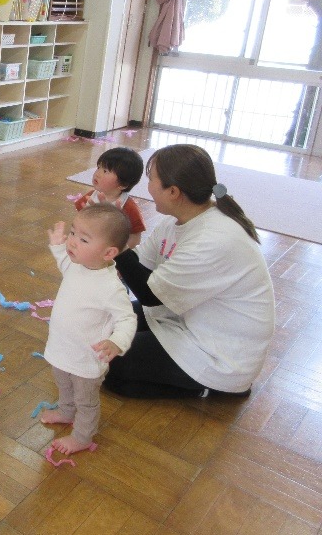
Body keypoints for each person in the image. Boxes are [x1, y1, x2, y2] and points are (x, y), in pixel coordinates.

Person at [106, 144, 275, 399]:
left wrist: (113, 240)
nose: (147, 186)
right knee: (107, 323)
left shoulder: (214, 238)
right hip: (185, 316)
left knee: (113, 364)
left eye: (151, 179)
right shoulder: (178, 220)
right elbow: (141, 266)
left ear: (173, 192)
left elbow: (150, 294)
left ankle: (211, 389)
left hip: (220, 353)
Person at [40, 204, 137, 455]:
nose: (72, 242)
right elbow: (63, 259)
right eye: (73, 232)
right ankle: (65, 411)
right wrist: (57, 245)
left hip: (86, 359)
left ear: (108, 252)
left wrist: (117, 342)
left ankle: (83, 436)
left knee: (86, 400)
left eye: (83, 239)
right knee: (63, 385)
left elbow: (127, 319)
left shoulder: (110, 287)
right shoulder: (76, 265)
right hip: (62, 349)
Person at [73, 147, 146, 248]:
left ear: (123, 184)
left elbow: (135, 238)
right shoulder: (90, 197)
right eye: (98, 167)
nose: (97, 173)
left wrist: (119, 252)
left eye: (105, 171)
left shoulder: (129, 208)